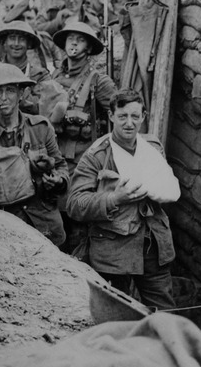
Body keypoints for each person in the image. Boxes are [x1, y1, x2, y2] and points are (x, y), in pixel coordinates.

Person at [66, 89, 180, 310]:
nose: (129, 123)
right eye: (122, 116)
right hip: (113, 252)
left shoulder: (152, 149)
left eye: (135, 116)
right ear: (111, 117)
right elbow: (74, 204)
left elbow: (166, 188)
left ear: (143, 117)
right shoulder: (98, 155)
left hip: (153, 247)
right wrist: (114, 198)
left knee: (167, 315)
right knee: (116, 314)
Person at [0, 64, 68, 247]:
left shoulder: (40, 128)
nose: (4, 98)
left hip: (44, 223)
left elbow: (61, 166)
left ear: (21, 94)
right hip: (2, 227)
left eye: (10, 90)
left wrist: (57, 180)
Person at [51, 21, 117, 174]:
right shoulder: (55, 76)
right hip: (55, 153)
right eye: (70, 38)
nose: (74, 42)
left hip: (84, 159)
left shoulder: (99, 81)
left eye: (80, 40)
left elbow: (118, 114)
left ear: (89, 48)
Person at [0, 20, 52, 116]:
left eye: (21, 39)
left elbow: (45, 106)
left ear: (28, 44)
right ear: (4, 43)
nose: (16, 43)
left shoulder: (40, 75)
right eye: (12, 38)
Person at [36, 0, 100, 38]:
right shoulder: (52, 13)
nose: (71, 0)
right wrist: (56, 22)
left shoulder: (91, 20)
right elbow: (35, 29)